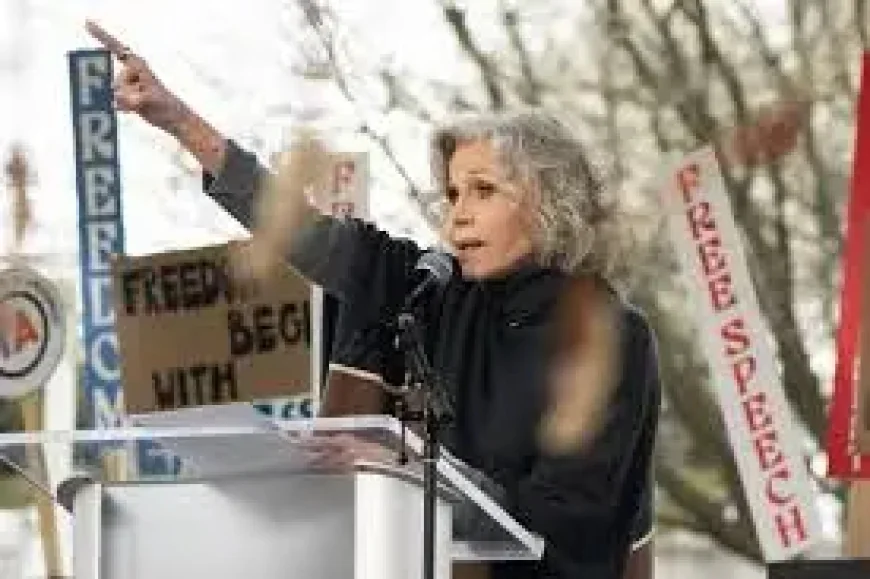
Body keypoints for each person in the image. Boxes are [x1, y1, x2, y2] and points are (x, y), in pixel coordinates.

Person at [87, 21, 660, 579]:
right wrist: (178, 121)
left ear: (551, 203)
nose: (457, 214)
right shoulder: (430, 290)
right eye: (453, 193)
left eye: (483, 191)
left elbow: (562, 527)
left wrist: (410, 474)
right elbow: (304, 234)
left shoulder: (608, 336)